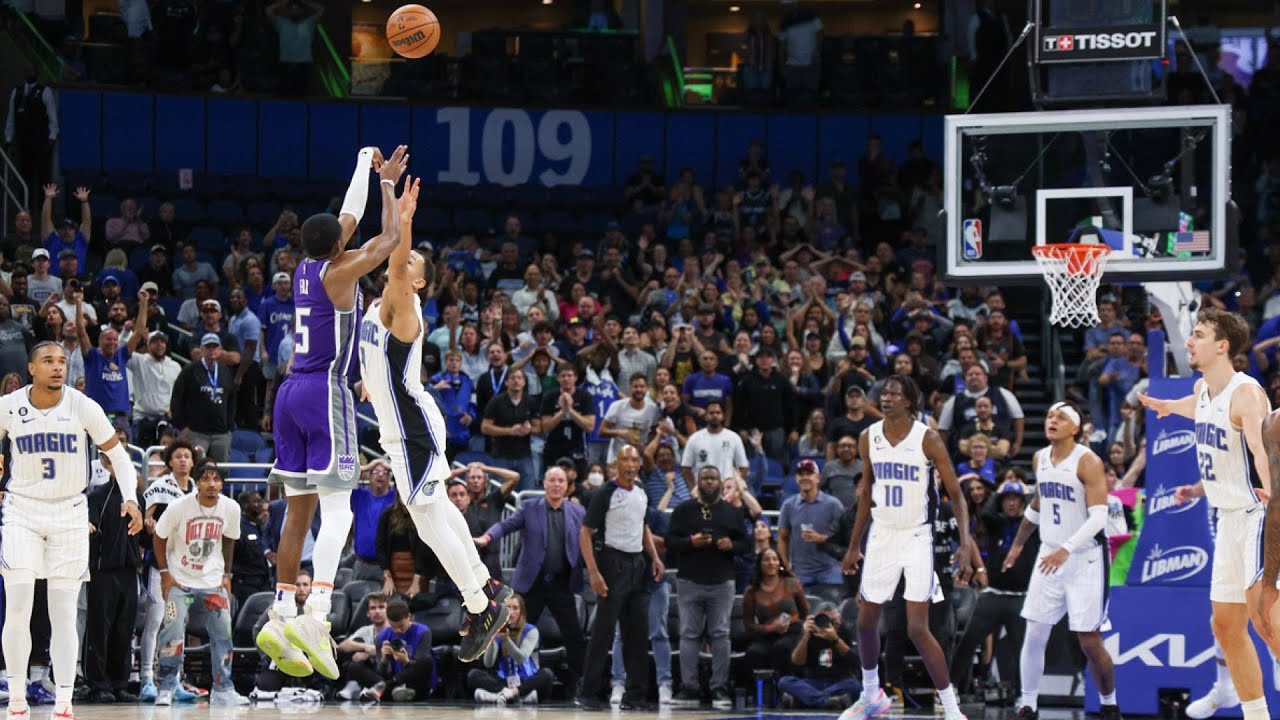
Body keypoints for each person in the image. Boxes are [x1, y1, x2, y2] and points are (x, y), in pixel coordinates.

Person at [261, 145, 412, 680]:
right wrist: (389, 185)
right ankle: (317, 614)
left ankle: (280, 612)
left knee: (298, 513)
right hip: (326, 390)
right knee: (340, 510)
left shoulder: (306, 265)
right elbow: (390, 239)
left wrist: (360, 164)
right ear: (339, 245)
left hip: (288, 394)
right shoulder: (341, 271)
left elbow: (348, 213)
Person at [355, 172, 512, 664]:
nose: (401, 261)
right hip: (400, 422)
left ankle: (479, 603)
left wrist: (403, 220)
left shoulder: (405, 304)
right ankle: (485, 585)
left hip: (413, 425)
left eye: (410, 262)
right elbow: (386, 251)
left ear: (419, 280)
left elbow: (395, 260)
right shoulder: (383, 303)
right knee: (436, 513)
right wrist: (385, 193)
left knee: (427, 520)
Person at [0, 342, 143, 720]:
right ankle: (16, 696)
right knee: (18, 605)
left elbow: (118, 456)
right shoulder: (10, 406)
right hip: (22, 512)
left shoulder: (82, 405)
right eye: (48, 361)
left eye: (62, 361)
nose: (57, 368)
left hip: (69, 512)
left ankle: (64, 700)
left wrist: (131, 498)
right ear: (31, 368)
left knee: (63, 610)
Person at [1142, 309, 1273, 720]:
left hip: (1258, 514)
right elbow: (1196, 406)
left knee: (1265, 620)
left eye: (1198, 334)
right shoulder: (1203, 390)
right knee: (1226, 626)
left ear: (1223, 346)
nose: (1190, 341)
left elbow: (1261, 449)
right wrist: (1167, 405)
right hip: (1228, 519)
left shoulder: (1245, 393)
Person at [840, 374, 972, 720]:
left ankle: (953, 708)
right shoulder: (868, 437)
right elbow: (866, 494)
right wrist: (854, 545)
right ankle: (872, 696)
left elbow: (956, 495)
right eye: (884, 393)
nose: (886, 398)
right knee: (866, 620)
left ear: (910, 401)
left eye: (894, 394)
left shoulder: (927, 439)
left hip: (917, 536)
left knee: (917, 628)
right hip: (882, 533)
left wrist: (965, 542)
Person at [1002, 403, 1119, 720]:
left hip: (1085, 558)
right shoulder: (1040, 458)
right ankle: (1029, 705)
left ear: (1076, 428)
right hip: (1049, 554)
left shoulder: (1088, 461)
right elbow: (1037, 507)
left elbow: (1098, 518)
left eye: (1061, 417)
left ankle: (1109, 705)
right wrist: (1016, 546)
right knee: (1035, 631)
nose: (1052, 420)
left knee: (1089, 642)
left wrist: (1066, 548)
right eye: (1050, 415)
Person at [575, 445, 666, 711]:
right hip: (611, 563)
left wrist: (656, 558)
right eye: (624, 459)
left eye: (634, 460)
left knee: (637, 633)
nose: (629, 464)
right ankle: (588, 692)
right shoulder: (605, 492)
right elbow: (585, 533)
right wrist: (593, 572)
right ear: (616, 464)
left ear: (639, 464)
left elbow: (644, 527)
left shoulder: (642, 491)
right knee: (603, 632)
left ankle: (635, 696)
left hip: (638, 563)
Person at [478, 466, 587, 685]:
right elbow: (505, 525)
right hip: (531, 584)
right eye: (552, 480)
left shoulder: (578, 512)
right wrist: (488, 538)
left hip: (562, 583)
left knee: (574, 636)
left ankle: (581, 686)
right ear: (544, 484)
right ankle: (505, 679)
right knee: (515, 631)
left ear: (567, 486)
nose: (556, 485)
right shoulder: (529, 508)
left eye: (561, 481)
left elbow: (587, 541)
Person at [152, 463, 248, 706]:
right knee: (172, 630)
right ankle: (166, 686)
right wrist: (165, 573)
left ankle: (223, 688)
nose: (212, 484)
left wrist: (227, 574)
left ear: (222, 484)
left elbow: (229, 539)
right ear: (196, 482)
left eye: (216, 479)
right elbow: (159, 537)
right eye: (206, 479)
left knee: (224, 631)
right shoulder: (179, 507)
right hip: (179, 581)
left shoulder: (231, 507)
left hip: (213, 581)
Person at [666, 465, 748, 709]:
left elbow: (746, 544)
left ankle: (719, 688)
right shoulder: (683, 510)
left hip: (722, 581)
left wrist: (730, 545)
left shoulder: (731, 512)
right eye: (705, 478)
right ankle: (688, 689)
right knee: (689, 634)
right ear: (698, 483)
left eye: (713, 478)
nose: (709, 482)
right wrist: (691, 542)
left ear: (720, 483)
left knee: (721, 634)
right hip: (689, 580)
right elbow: (670, 541)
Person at [83, 448, 143, 703]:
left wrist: (149, 527)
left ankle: (120, 683)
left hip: (129, 570)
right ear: (107, 465)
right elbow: (91, 529)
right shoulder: (97, 496)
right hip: (103, 570)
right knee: (100, 627)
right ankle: (97, 684)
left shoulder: (138, 499)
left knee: (124, 628)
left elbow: (146, 540)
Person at [469, 593, 557, 704]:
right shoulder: (498, 630)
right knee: (473, 675)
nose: (511, 612)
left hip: (526, 681)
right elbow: (488, 663)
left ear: (521, 611)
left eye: (515, 608)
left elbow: (521, 658)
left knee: (547, 674)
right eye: (507, 608)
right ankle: (515, 696)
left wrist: (506, 640)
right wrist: (491, 637)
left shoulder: (531, 630)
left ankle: (499, 696)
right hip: (504, 681)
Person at [778, 602, 860, 709]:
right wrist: (805, 636)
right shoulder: (810, 633)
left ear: (838, 620)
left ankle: (804, 700)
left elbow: (855, 661)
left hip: (838, 681)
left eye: (832, 621)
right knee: (785, 681)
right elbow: (797, 662)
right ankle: (828, 701)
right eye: (824, 620)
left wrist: (835, 639)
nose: (827, 624)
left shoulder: (843, 632)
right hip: (813, 681)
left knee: (855, 685)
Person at [367, 598, 435, 702]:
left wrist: (406, 661)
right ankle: (396, 691)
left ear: (409, 617)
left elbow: (420, 667)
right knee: (355, 666)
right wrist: (384, 660)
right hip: (393, 678)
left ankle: (388, 687)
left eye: (401, 626)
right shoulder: (381, 637)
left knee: (427, 661)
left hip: (417, 683)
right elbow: (380, 673)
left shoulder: (423, 632)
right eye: (393, 626)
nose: (397, 630)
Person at [680, 401, 749, 492]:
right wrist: (693, 489)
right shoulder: (694, 439)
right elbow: (686, 469)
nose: (715, 415)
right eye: (711, 413)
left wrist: (733, 489)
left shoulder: (734, 438)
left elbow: (743, 468)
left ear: (723, 415)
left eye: (718, 413)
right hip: (702, 492)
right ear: (705, 416)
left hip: (726, 491)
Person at [335, 592, 391, 701]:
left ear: (388, 611)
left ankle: (360, 687)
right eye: (373, 608)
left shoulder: (394, 630)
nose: (377, 611)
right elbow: (342, 645)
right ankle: (354, 687)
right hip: (367, 672)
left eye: (381, 607)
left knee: (356, 664)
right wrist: (365, 648)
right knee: (351, 650)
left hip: (387, 674)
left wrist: (373, 652)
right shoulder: (365, 630)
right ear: (368, 614)